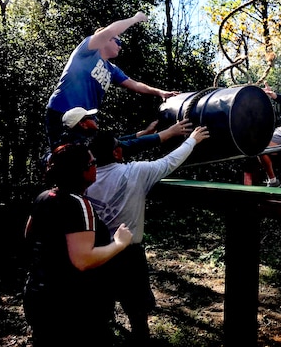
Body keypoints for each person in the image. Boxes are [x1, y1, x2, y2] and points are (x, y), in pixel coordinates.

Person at [85, 125, 210, 345]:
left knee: (98, 313)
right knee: (137, 313)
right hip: (128, 255)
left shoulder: (85, 179)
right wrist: (192, 140)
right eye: (119, 146)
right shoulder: (136, 172)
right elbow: (169, 162)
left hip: (97, 254)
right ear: (116, 152)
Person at [23, 143, 133, 347]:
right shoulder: (80, 205)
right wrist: (119, 243)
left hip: (38, 297)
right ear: (80, 170)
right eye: (93, 163)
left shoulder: (44, 197)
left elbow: (29, 235)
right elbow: (83, 260)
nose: (96, 167)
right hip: (72, 306)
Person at [45, 11, 179, 149]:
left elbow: (135, 84)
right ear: (106, 39)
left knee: (93, 156)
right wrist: (135, 18)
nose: (120, 46)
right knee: (66, 157)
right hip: (62, 111)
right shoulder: (87, 51)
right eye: (118, 41)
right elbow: (110, 30)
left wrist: (160, 93)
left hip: (87, 119)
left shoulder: (112, 69)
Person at [58, 106, 193, 156]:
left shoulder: (75, 140)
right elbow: (131, 146)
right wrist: (169, 133)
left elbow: (119, 141)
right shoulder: (84, 145)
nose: (95, 119)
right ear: (82, 124)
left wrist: (145, 132)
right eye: (90, 117)